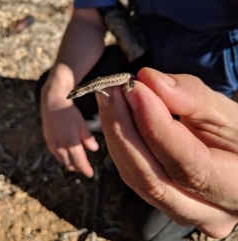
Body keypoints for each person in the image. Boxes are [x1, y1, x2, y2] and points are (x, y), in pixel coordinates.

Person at [37, 1, 238, 240]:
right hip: (142, 59)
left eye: (76, 91)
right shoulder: (92, 88)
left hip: (211, 96)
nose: (75, 93)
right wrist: (56, 94)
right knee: (47, 86)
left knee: (146, 231)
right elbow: (88, 16)